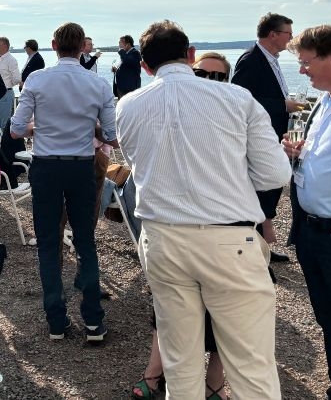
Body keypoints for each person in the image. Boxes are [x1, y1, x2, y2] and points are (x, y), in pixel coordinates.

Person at [116, 21, 289, 399]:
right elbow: (275, 173)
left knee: (180, 364)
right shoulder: (237, 99)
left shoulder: (128, 105)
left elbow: (134, 162)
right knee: (251, 364)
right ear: (190, 54)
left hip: (163, 238)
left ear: (145, 66)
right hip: (229, 237)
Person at [132, 50, 233, 400]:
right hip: (174, 231)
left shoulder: (234, 115)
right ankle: (155, 374)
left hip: (224, 231)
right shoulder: (169, 113)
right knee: (168, 307)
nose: (207, 82)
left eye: (216, 77)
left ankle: (214, 383)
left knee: (223, 313)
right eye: (200, 75)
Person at [11, 23, 117, 343]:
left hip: (46, 167)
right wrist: (92, 130)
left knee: (48, 242)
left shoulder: (38, 79)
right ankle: (93, 321)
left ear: (54, 45)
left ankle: (56, 320)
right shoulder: (97, 84)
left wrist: (38, 129)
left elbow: (16, 128)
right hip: (81, 167)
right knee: (85, 241)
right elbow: (111, 135)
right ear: (83, 46)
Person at [284, 25, 331, 399]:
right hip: (313, 233)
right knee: (330, 320)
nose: (302, 71)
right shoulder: (327, 100)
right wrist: (299, 155)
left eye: (306, 62)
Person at [231, 12, 299, 262]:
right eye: (288, 34)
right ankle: (255, 250)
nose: (291, 39)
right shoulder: (251, 59)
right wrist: (283, 105)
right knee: (263, 186)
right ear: (273, 35)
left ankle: (262, 246)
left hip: (275, 129)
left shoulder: (271, 58)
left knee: (271, 187)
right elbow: (240, 98)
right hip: (261, 134)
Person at [0, 36, 21, 131]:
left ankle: (3, 145)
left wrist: (7, 85)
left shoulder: (11, 60)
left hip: (5, 93)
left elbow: (17, 78)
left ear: (5, 46)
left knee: (4, 123)